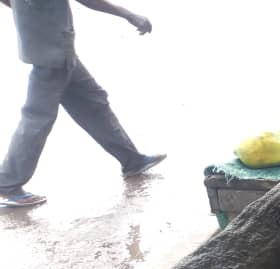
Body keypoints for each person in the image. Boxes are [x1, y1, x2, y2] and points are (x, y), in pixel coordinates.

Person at [0, 0, 166, 208]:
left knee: (93, 103)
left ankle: (131, 159)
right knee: (37, 119)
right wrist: (128, 14)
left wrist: (32, 13)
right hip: (52, 53)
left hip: (49, 47)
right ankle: (7, 183)